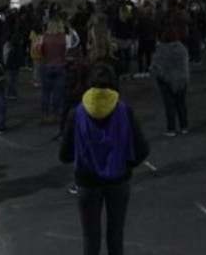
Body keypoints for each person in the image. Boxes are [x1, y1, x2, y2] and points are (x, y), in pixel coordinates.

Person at [59, 64, 151, 255]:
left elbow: (64, 155)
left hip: (87, 182)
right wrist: (126, 164)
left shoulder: (76, 114)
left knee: (90, 239)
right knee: (116, 236)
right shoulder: (124, 111)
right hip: (118, 180)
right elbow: (142, 149)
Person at [150, 29, 190, 136]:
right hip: (181, 79)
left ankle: (171, 129)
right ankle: (184, 127)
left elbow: (155, 66)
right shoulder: (182, 49)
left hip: (166, 81)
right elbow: (186, 64)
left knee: (169, 105)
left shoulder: (161, 50)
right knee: (181, 104)